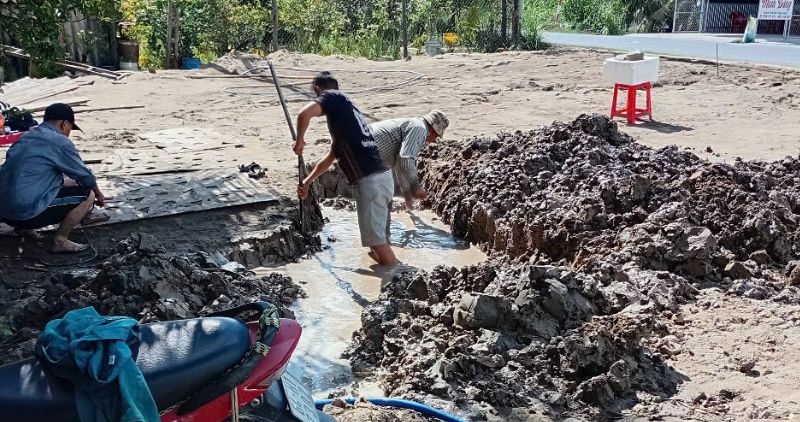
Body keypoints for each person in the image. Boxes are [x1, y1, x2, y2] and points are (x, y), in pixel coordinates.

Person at [293, 72, 399, 266]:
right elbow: (331, 157)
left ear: (318, 89)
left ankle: (397, 278)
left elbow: (304, 114)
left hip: (371, 180)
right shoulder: (346, 116)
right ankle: (388, 272)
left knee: (379, 246)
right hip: (382, 178)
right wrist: (308, 181)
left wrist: (299, 140)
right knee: (376, 246)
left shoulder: (333, 96)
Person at [0, 103, 108, 253]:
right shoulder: (59, 142)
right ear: (64, 124)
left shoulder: (25, 137)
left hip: (4, 212)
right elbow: (84, 176)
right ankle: (61, 240)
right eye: (70, 128)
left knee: (61, 181)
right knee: (87, 195)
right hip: (24, 213)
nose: (69, 132)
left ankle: (23, 228)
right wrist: (99, 194)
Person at [369, 110, 449, 211]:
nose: (433, 141)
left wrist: (407, 197)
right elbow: (405, 159)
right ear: (433, 130)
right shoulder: (420, 128)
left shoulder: (414, 124)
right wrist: (415, 187)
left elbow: (400, 166)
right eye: (437, 136)